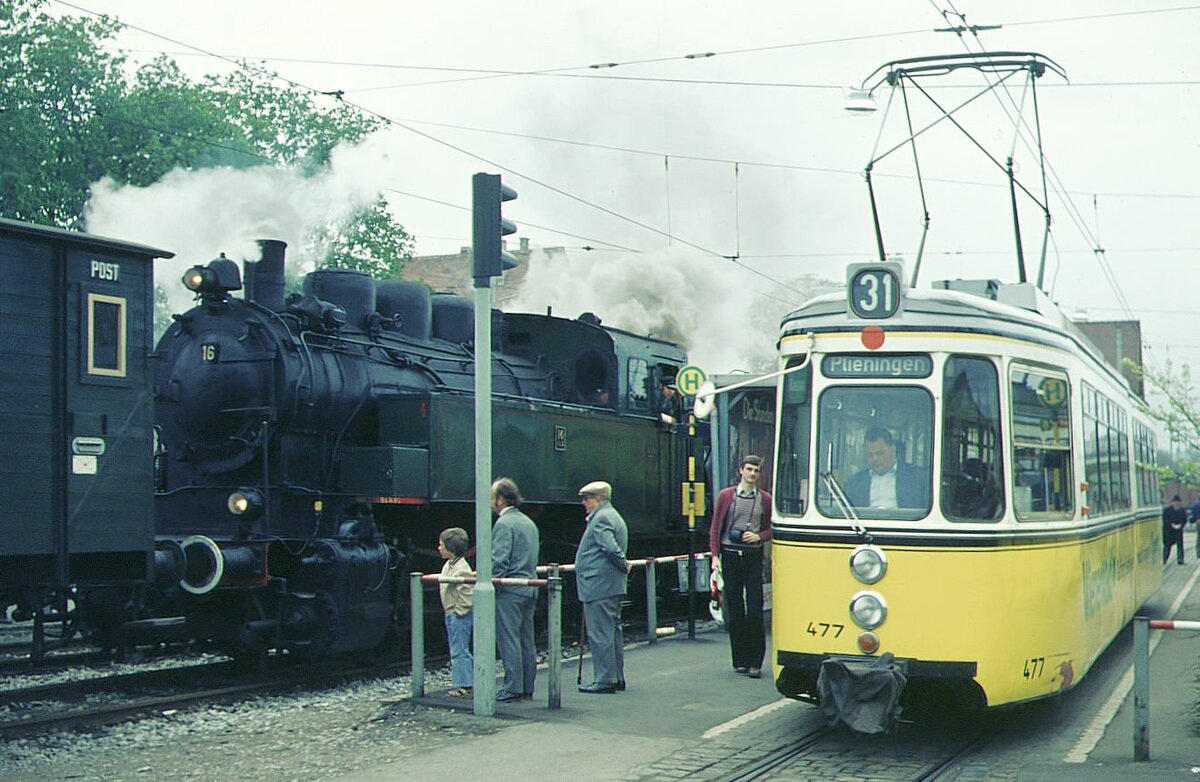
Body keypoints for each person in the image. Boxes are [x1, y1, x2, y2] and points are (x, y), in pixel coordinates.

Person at [708, 455, 772, 679]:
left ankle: (756, 662)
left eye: (756, 471)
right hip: (730, 555)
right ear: (740, 471)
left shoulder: (765, 499)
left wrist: (759, 537)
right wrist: (715, 556)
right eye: (749, 470)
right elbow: (716, 527)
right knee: (734, 609)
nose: (752, 474)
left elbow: (770, 528)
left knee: (754, 608)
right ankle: (741, 660)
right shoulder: (726, 496)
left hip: (752, 557)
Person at [574, 480, 631, 694]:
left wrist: (623, 564)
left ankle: (604, 679)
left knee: (600, 633)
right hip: (609, 585)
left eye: (587, 499)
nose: (583, 503)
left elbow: (610, 548)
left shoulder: (601, 519)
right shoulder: (612, 516)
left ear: (598, 500)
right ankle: (616, 676)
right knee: (612, 631)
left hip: (599, 585)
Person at [491, 477, 540, 702]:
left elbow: (499, 560)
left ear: (500, 499)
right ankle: (527, 686)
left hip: (510, 590)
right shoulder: (528, 523)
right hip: (529, 586)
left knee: (508, 638)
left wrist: (488, 581)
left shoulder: (503, 524)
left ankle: (512, 687)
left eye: (493, 497)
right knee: (526, 639)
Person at [844, 427, 930, 510]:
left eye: (880, 453)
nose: (875, 459)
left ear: (893, 449)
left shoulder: (917, 478)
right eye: (870, 455)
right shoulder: (855, 482)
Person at [437, 527, 474, 698]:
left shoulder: (461, 568)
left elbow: (467, 590)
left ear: (450, 549)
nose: (439, 548)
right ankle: (466, 681)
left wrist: (460, 610)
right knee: (458, 648)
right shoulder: (450, 564)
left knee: (459, 649)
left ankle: (461, 684)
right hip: (451, 612)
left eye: (441, 545)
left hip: (458, 613)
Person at [1163, 494, 1187, 565]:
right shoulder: (1167, 510)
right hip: (1169, 531)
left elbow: (1184, 519)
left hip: (1178, 530)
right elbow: (1165, 519)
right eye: (1175, 502)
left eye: (1178, 502)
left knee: (1180, 545)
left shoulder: (1182, 510)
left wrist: (1181, 525)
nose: (1176, 503)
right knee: (1167, 545)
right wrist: (1171, 524)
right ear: (1172, 502)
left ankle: (1180, 559)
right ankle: (1164, 559)